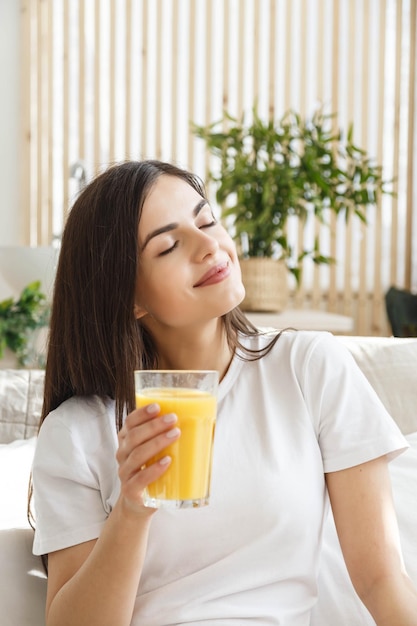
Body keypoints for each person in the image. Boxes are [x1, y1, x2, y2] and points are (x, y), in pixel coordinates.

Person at [31, 159, 417, 626]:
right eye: (170, 245)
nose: (209, 245)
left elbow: (382, 581)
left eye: (207, 220)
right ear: (128, 297)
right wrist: (132, 510)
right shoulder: (77, 431)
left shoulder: (308, 368)